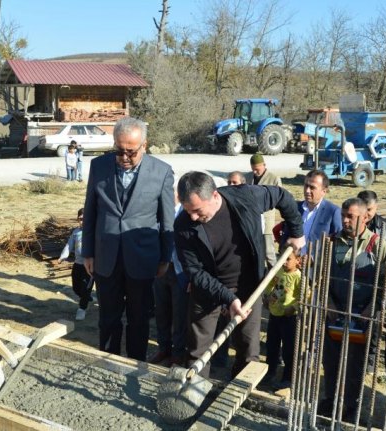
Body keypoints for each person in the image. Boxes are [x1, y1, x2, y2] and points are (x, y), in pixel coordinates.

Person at [174, 171, 305, 379]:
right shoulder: (183, 225)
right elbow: (194, 272)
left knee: (247, 349)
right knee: (198, 349)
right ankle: (193, 396)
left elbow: (282, 196)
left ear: (214, 196)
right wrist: (228, 298)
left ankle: (239, 397)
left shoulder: (245, 197)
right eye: (188, 210)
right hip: (208, 289)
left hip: (249, 286)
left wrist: (297, 232)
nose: (193, 217)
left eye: (197, 211)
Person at [82, 117, 174, 361]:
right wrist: (87, 252)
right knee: (108, 317)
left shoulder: (162, 172)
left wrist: (165, 257)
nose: (123, 158)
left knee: (139, 317)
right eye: (118, 151)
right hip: (105, 256)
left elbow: (167, 221)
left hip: (143, 257)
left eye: (130, 152)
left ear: (144, 145)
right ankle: (109, 361)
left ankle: (135, 363)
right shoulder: (98, 166)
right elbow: (90, 211)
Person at [318, 198, 386, 419]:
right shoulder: (333, 242)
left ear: (366, 217)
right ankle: (330, 400)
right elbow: (321, 275)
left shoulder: (379, 246)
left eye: (351, 216)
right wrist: (328, 301)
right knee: (331, 361)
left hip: (362, 315)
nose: (345, 220)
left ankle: (351, 405)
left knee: (355, 364)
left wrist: (374, 307)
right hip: (335, 311)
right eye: (343, 215)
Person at [149, 185, 189, 367]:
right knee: (161, 311)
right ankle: (163, 347)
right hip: (160, 269)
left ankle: (178, 352)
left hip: (180, 271)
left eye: (168, 194)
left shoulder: (187, 213)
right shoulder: (155, 214)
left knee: (179, 313)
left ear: (177, 196)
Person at [262, 249, 301, 389]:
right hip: (274, 314)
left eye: (288, 259)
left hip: (288, 317)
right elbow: (269, 284)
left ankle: (288, 377)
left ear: (297, 260)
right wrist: (266, 296)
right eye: (282, 258)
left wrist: (294, 307)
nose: (284, 262)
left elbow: (305, 295)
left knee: (288, 349)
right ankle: (269, 371)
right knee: (271, 345)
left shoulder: (298, 277)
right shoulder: (278, 272)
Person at [281, 169, 341, 254]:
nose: (307, 191)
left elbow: (337, 243)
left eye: (312, 187)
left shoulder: (332, 212)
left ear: (324, 191)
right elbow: (286, 234)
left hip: (316, 265)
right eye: (306, 186)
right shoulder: (295, 208)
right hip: (294, 263)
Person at [245, 153, 282, 268]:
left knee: (269, 252)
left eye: (257, 169)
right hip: (251, 222)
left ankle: (275, 278)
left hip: (267, 222)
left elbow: (280, 199)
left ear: (264, 165)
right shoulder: (247, 177)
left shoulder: (274, 179)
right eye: (253, 169)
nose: (255, 172)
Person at [58, 208, 93, 321]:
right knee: (76, 288)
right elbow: (69, 245)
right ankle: (87, 298)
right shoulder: (76, 232)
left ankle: (82, 309)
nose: (82, 221)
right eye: (80, 219)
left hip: (90, 266)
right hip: (78, 264)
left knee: (85, 288)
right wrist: (63, 256)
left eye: (85, 219)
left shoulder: (93, 232)